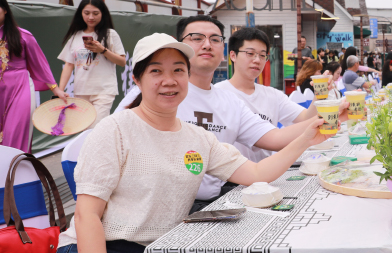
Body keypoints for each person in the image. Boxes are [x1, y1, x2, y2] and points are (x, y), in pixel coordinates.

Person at [51, 33, 329, 253]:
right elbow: (87, 216)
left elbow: (256, 174)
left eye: (178, 70)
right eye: (156, 71)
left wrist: (306, 139)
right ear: (137, 80)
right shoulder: (115, 129)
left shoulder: (198, 138)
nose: (169, 80)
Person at [115, 15, 346, 212]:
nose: (207, 45)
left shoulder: (229, 102)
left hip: (211, 203)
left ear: (223, 50)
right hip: (151, 210)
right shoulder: (153, 95)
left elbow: (273, 139)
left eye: (215, 39)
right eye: (197, 38)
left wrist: (323, 121)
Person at [216, 28, 335, 161]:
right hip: (229, 178)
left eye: (262, 55)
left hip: (266, 170)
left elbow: (306, 119)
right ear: (233, 55)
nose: (257, 60)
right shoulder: (218, 94)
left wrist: (319, 95)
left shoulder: (272, 95)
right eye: (250, 53)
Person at [0, 0, 68, 152]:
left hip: (20, 87)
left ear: (4, 9)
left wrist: (56, 90)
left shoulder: (23, 35)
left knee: (15, 134)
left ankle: (18, 172)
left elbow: (40, 64)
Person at [58, 0, 126, 127]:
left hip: (104, 90)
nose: (91, 17)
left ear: (102, 14)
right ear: (81, 14)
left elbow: (122, 61)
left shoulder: (110, 34)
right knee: (84, 129)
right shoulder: (75, 36)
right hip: (81, 91)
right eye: (86, 13)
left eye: (95, 13)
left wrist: (103, 50)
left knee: (95, 128)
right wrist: (60, 90)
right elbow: (69, 64)